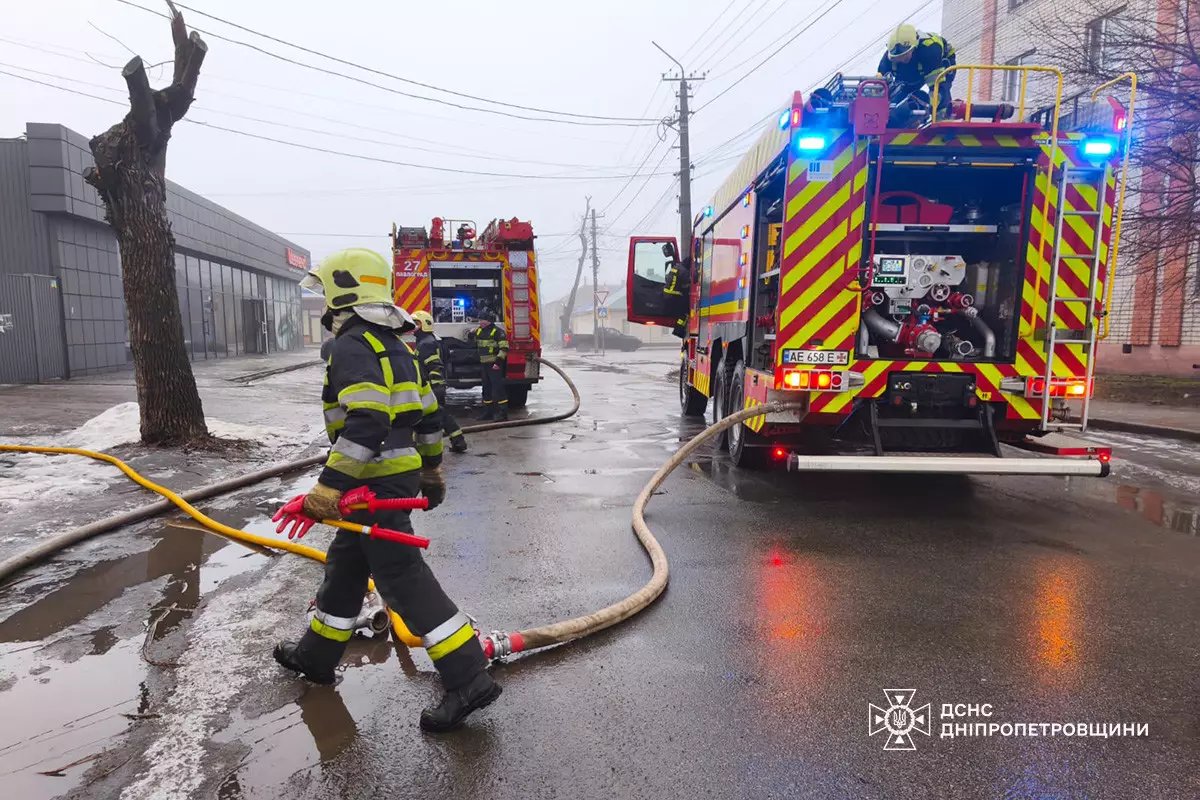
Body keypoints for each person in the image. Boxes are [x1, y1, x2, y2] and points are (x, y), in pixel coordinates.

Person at [272, 248, 501, 733]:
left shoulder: (352, 346)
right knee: (347, 566)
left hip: (370, 483)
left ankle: (467, 678)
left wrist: (329, 486)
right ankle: (316, 655)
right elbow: (428, 414)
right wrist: (431, 469)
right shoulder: (399, 345)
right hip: (389, 479)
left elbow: (369, 419)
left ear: (343, 293)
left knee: (401, 577)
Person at [411, 310, 468, 453]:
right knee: (440, 413)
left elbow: (434, 366)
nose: (413, 327)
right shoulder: (433, 340)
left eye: (416, 323)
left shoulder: (425, 344)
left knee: (436, 414)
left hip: (432, 386)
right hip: (435, 385)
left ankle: (457, 441)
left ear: (424, 325)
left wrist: (435, 387)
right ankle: (458, 441)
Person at [878, 24, 956, 117]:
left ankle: (943, 117)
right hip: (917, 67)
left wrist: (932, 108)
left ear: (914, 47)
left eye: (905, 55)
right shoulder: (887, 61)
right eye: (898, 58)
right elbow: (879, 87)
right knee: (900, 98)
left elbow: (937, 86)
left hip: (939, 63)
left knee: (940, 99)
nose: (902, 59)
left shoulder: (929, 49)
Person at [467, 311, 509, 421]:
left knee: (498, 389)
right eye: (480, 320)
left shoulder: (498, 332)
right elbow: (471, 340)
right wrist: (471, 334)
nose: (481, 322)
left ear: (489, 321)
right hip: (484, 365)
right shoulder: (479, 331)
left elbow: (504, 348)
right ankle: (488, 412)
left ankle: (502, 413)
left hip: (494, 365)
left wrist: (498, 363)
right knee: (486, 389)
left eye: (483, 320)